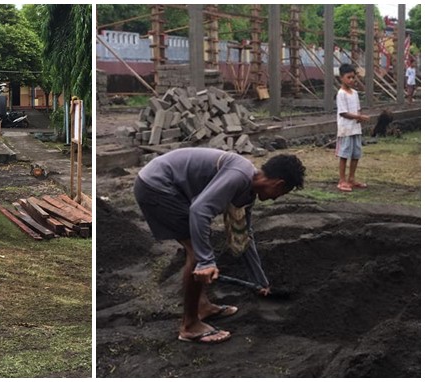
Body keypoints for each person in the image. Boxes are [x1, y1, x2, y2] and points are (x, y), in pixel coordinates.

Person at [133, 147, 306, 345]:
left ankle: (203, 307)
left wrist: (260, 282)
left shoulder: (247, 193)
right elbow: (199, 211)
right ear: (279, 183)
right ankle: (190, 326)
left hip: (169, 187)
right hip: (156, 185)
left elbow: (243, 236)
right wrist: (206, 262)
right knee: (198, 254)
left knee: (198, 249)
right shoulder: (239, 176)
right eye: (282, 193)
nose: (276, 199)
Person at [335, 63, 370, 193]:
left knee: (356, 154)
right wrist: (359, 117)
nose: (351, 80)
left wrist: (360, 117)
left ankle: (351, 178)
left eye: (353, 77)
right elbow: (343, 113)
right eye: (348, 77)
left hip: (355, 128)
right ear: (341, 78)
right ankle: (342, 180)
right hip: (345, 129)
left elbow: (358, 109)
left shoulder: (355, 93)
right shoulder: (341, 94)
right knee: (344, 154)